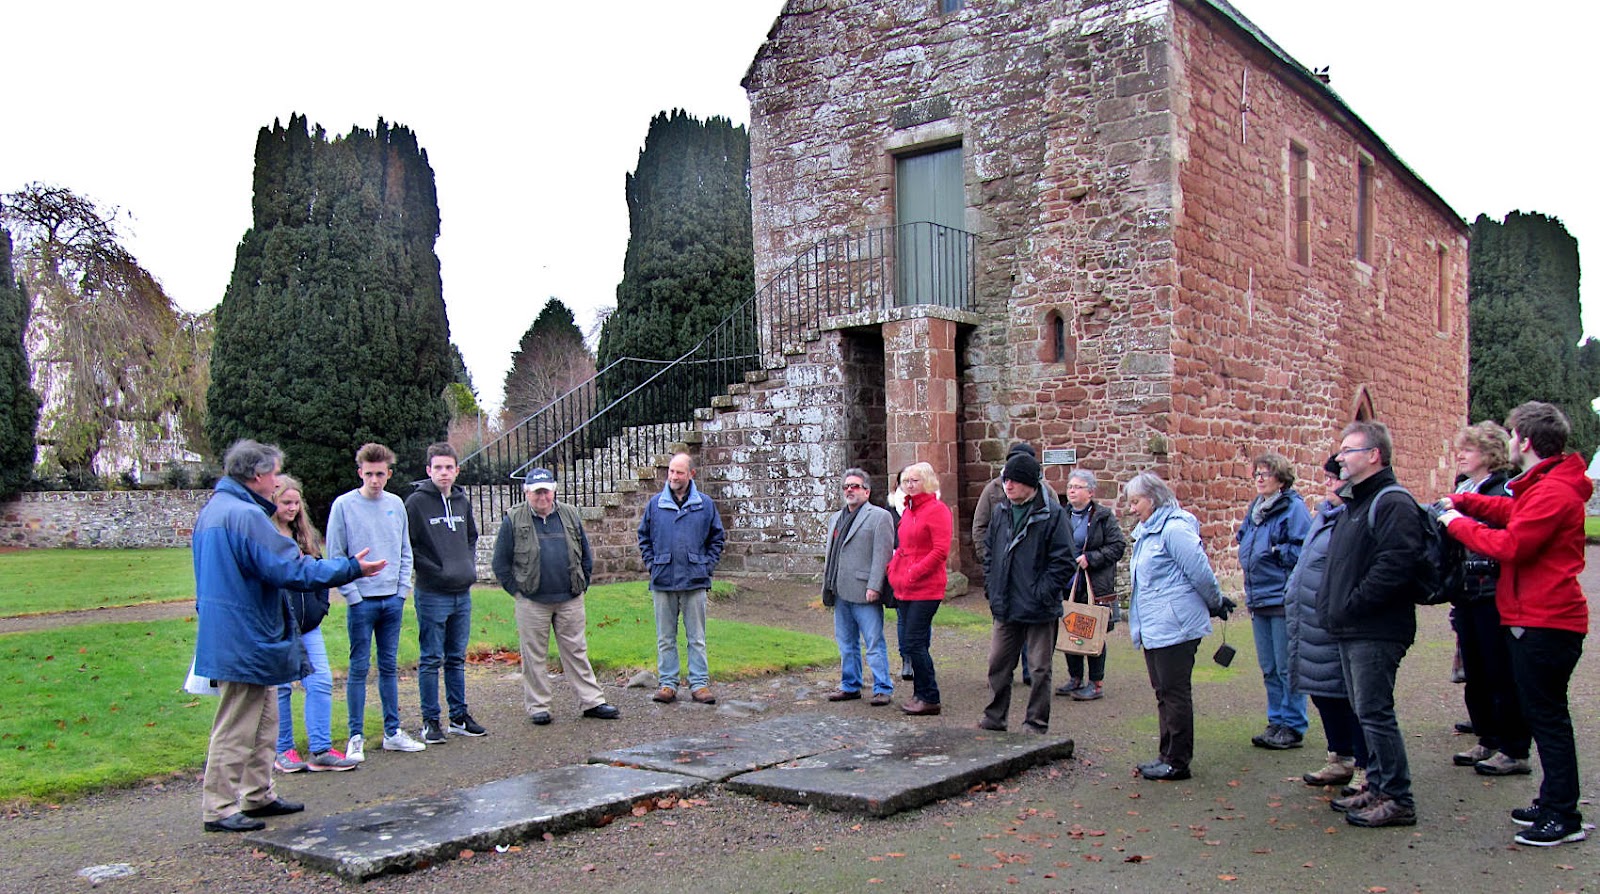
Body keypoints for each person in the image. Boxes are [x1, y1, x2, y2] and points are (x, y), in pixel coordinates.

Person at [193, 440, 384, 832]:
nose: (278, 480)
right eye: (275, 473)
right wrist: (350, 569)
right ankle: (220, 807)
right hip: (246, 634)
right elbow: (291, 569)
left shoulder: (216, 511)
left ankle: (257, 794)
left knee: (265, 717)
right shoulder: (244, 516)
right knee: (237, 723)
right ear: (258, 476)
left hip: (240, 631)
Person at [1438, 401, 1591, 847]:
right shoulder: (1543, 486)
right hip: (1536, 618)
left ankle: (1563, 815)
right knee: (1543, 715)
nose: (1508, 440)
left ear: (1523, 439)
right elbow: (1509, 514)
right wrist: (1463, 499)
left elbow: (1512, 545)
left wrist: (1454, 521)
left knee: (1548, 719)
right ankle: (1553, 801)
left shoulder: (1553, 491)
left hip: (1546, 622)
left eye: (1511, 433)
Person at [1318, 421, 1426, 829]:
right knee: (1366, 711)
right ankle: (1378, 786)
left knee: (1376, 712)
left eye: (1348, 451)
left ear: (1374, 455)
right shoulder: (1358, 501)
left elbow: (1396, 564)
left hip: (1375, 627)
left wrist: (1353, 604)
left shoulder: (1391, 501)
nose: (1340, 458)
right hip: (1353, 625)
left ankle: (1398, 796)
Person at [493, 468, 621, 724]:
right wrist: (518, 593)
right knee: (533, 656)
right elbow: (500, 563)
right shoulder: (514, 519)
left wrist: (582, 583)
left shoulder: (570, 514)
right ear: (526, 492)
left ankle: (592, 701)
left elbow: (585, 552)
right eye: (536, 491)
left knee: (577, 651)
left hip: (569, 597)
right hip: (532, 600)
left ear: (554, 491)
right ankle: (539, 706)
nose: (542, 497)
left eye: (546, 491)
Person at [1125, 472, 1228, 781]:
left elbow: (1200, 572)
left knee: (1174, 692)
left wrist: (1216, 602)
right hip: (1155, 624)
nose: (1132, 509)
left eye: (1136, 502)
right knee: (1163, 692)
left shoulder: (1175, 529)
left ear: (1153, 499)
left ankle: (1178, 761)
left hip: (1175, 624)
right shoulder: (1148, 531)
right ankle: (1166, 754)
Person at [327, 442, 422, 759]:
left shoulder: (396, 503)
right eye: (369, 474)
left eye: (380, 474)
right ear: (360, 473)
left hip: (391, 600)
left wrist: (400, 591)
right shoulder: (343, 505)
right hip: (362, 601)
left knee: (388, 667)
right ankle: (355, 736)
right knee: (358, 668)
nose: (375, 480)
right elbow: (336, 555)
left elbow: (405, 550)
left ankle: (392, 731)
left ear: (389, 474)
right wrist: (352, 595)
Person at [1440, 422, 1523, 775]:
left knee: (1498, 671)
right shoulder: (1463, 487)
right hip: (1467, 590)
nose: (1460, 455)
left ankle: (1512, 747)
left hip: (1491, 590)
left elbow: (1500, 538)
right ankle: (1487, 738)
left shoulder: (1502, 490)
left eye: (1469, 450)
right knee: (1474, 669)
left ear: (1489, 454)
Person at [1286, 456, 1368, 792]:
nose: (1328, 485)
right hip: (1310, 619)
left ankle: (1366, 764)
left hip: (1336, 621)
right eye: (1326, 479)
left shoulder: (1355, 518)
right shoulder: (1324, 516)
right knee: (1323, 692)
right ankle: (1340, 756)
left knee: (1351, 696)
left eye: (1335, 479)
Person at [979, 451, 1073, 733]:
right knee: (998, 664)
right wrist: (992, 586)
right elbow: (989, 553)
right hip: (1005, 603)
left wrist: (1042, 592)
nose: (1008, 486)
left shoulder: (1052, 514)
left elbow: (1064, 561)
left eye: (1015, 481)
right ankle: (995, 717)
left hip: (1038, 606)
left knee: (1039, 668)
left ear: (1031, 484)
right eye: (1006, 480)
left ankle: (1035, 722)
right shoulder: (1002, 512)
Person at [271, 476, 359, 773]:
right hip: (280, 625)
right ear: (274, 502)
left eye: (296, 503)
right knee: (281, 687)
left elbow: (319, 571)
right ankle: (283, 750)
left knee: (320, 681)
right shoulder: (266, 537)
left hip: (309, 626)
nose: (292, 508)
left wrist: (321, 606)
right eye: (286, 502)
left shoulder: (305, 537)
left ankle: (321, 748)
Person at [405, 442, 487, 744]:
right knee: (431, 658)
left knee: (456, 657)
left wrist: (464, 565)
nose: (443, 473)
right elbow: (410, 546)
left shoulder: (462, 502)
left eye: (448, 468)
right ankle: (430, 720)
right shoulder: (415, 503)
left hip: (461, 592)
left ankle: (458, 715)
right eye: (437, 468)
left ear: (457, 470)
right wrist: (436, 570)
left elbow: (471, 537)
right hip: (432, 592)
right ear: (429, 470)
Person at [638, 452, 726, 705]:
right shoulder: (655, 504)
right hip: (663, 579)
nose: (674, 476)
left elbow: (716, 539)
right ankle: (668, 684)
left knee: (696, 638)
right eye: (671, 472)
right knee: (665, 637)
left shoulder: (705, 504)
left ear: (691, 474)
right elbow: (643, 537)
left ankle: (699, 684)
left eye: (679, 472)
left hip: (695, 579)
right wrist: (652, 565)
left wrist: (706, 566)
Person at [1237, 452, 1312, 750]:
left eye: (1265, 474)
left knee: (1286, 666)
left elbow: (1303, 549)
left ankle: (1293, 725)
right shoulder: (1256, 509)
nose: (1259, 478)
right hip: (1259, 598)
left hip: (1281, 597)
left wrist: (1276, 551)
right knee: (1268, 666)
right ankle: (1276, 720)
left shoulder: (1293, 508)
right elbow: (1246, 537)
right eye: (1256, 473)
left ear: (1280, 479)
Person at [972, 443, 1058, 686]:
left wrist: (1045, 586)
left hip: (1033, 580)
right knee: (1004, 640)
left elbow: (1059, 543)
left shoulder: (1047, 493)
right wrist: (991, 567)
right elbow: (980, 526)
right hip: (1004, 579)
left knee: (1036, 644)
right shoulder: (993, 490)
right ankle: (1000, 687)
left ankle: (1030, 674)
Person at [821, 468, 897, 706]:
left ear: (867, 490)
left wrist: (875, 585)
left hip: (865, 590)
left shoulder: (879, 516)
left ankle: (883, 687)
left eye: (855, 486)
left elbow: (882, 555)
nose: (850, 490)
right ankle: (850, 685)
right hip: (839, 589)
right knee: (846, 642)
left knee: (873, 642)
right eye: (846, 487)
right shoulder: (835, 518)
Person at [887, 461, 952, 716]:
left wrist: (913, 572)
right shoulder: (909, 511)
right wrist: (894, 570)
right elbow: (903, 547)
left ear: (926, 482)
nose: (909, 485)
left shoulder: (937, 510)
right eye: (905, 481)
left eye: (914, 480)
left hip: (926, 587)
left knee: (914, 642)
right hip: (905, 586)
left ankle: (930, 696)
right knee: (913, 642)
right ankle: (921, 693)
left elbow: (940, 551)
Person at [1057, 469, 1126, 701]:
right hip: (1067, 584)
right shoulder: (1062, 514)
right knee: (1070, 628)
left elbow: (1118, 546)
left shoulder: (1102, 516)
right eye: (1070, 487)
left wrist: (1091, 558)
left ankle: (1096, 683)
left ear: (1090, 492)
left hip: (1092, 584)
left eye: (1077, 487)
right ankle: (1075, 678)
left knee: (1091, 631)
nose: (1072, 491)